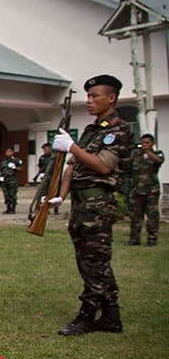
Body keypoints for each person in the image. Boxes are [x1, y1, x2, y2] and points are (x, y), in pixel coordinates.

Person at [49, 75, 133, 336]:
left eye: (95, 96)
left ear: (111, 98)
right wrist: (61, 195)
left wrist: (72, 146)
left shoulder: (118, 130)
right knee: (89, 260)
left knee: (95, 261)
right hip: (81, 202)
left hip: (98, 203)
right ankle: (111, 315)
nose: (89, 101)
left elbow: (103, 166)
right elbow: (72, 167)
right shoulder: (92, 129)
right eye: (88, 96)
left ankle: (87, 315)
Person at [127, 133, 163, 246]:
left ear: (152, 143)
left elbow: (159, 161)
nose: (144, 145)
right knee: (135, 217)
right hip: (137, 190)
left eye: (147, 143)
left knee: (152, 216)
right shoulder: (135, 154)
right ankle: (134, 239)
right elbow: (128, 167)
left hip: (151, 191)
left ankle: (152, 239)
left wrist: (148, 151)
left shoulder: (157, 153)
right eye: (142, 143)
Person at [0, 146, 22, 213]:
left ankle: (13, 208)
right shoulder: (4, 161)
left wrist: (14, 167)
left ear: (12, 152)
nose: (8, 153)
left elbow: (20, 169)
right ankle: (8, 208)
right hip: (5, 180)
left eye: (9, 151)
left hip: (12, 179)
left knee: (12, 194)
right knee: (6, 194)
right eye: (7, 151)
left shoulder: (16, 160)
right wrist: (0, 176)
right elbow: (0, 169)